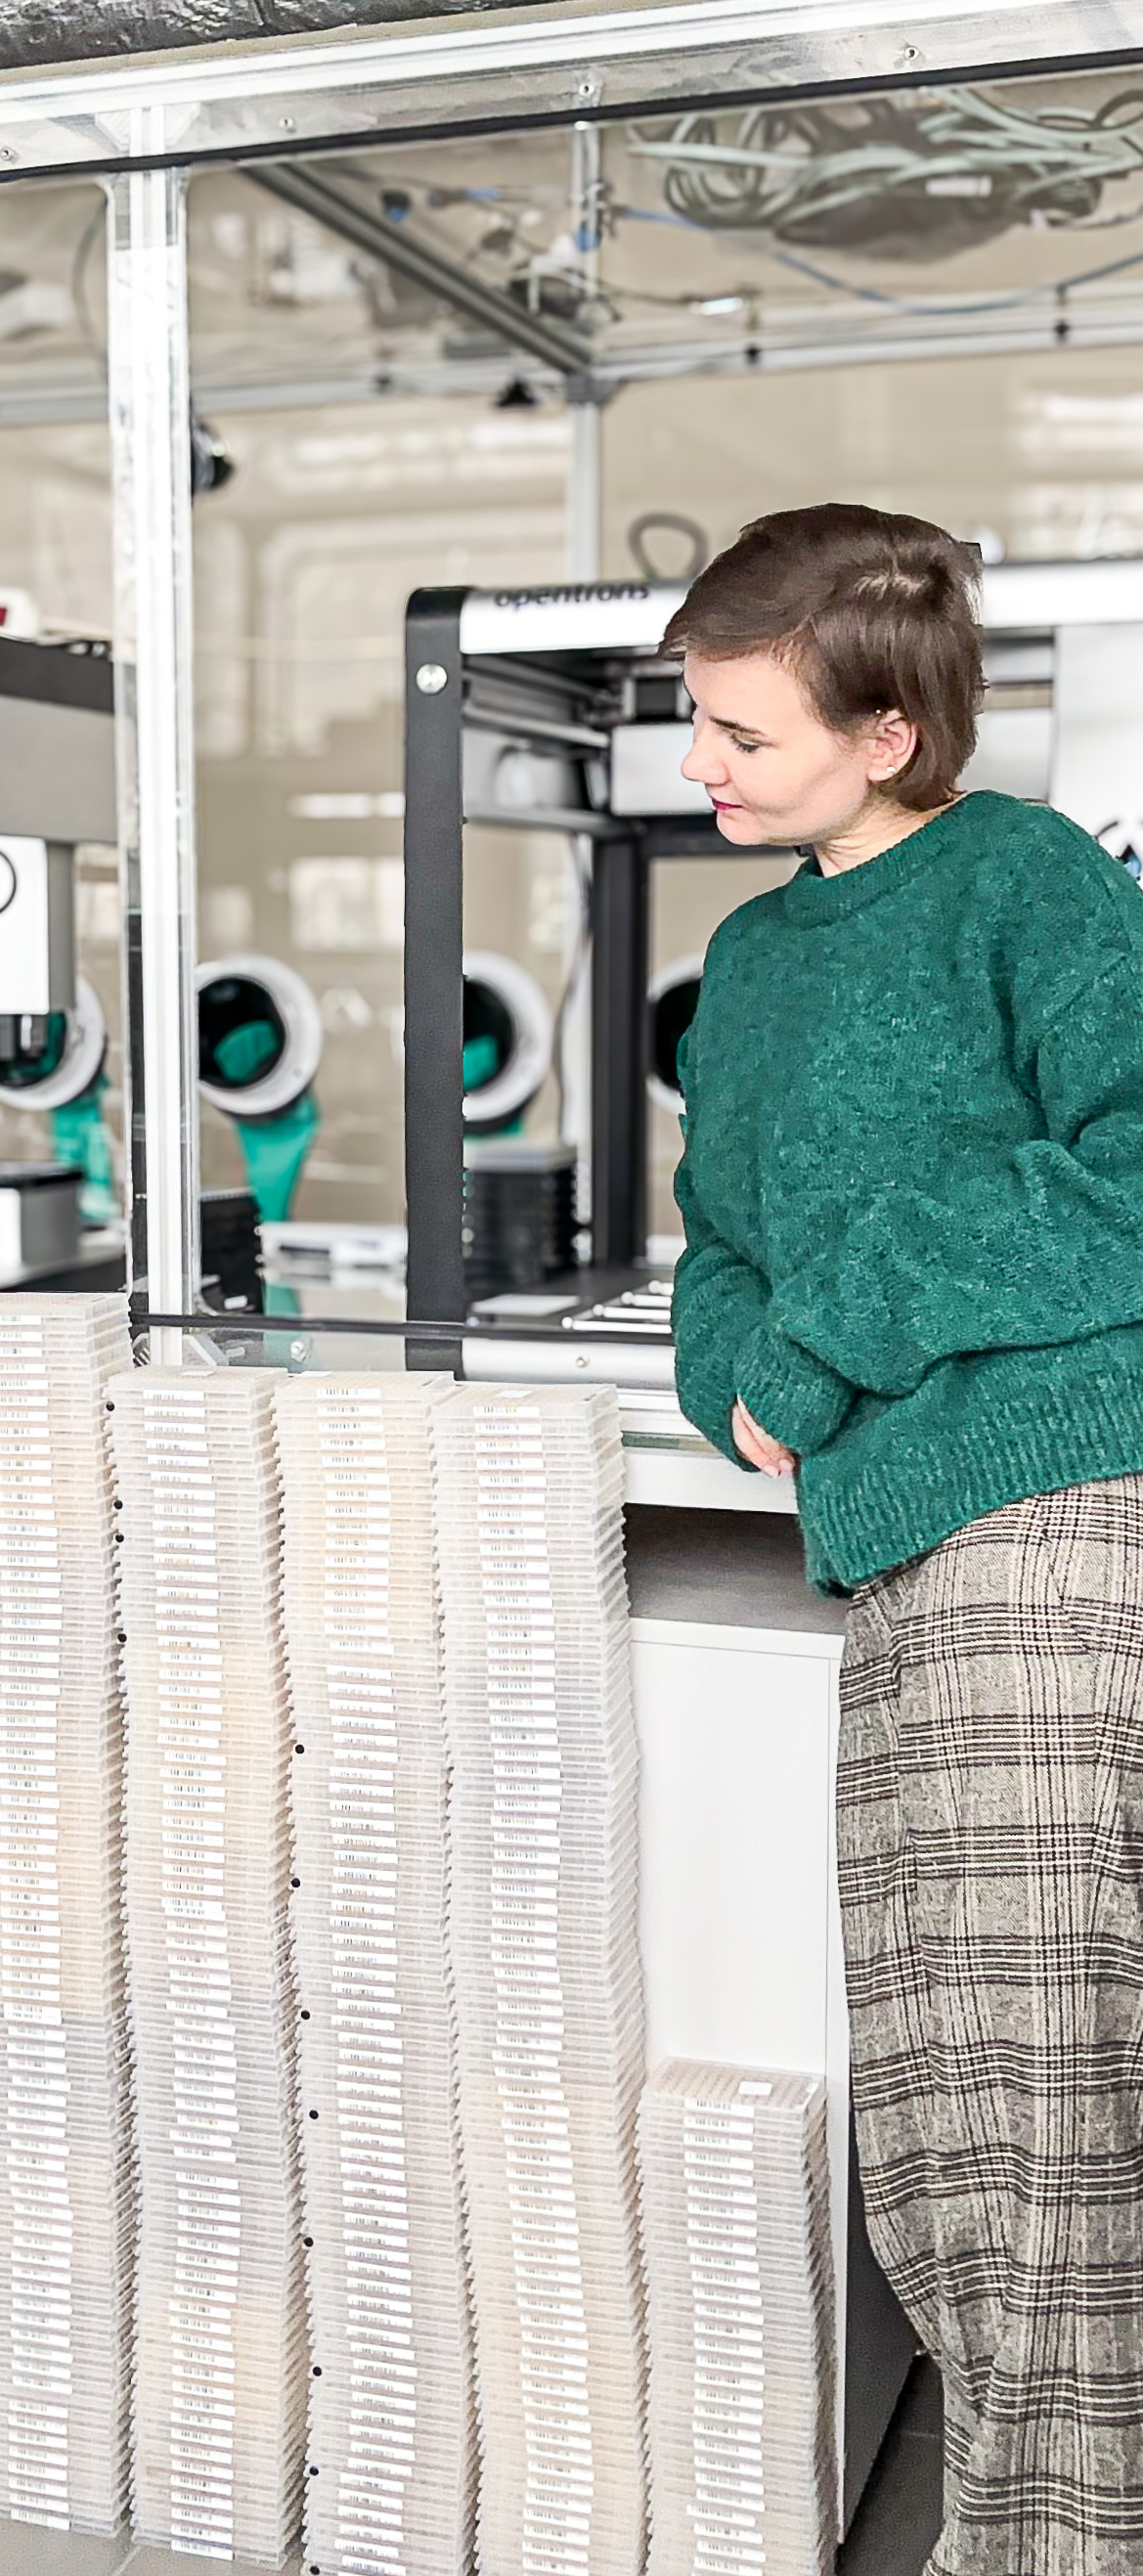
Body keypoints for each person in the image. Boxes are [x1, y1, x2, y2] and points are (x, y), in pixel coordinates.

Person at [668, 501, 1143, 2576]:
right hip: (888, 1543)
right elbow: (719, 1259)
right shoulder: (752, 961)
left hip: (1058, 1516)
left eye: (742, 734)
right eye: (693, 721)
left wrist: (836, 1323)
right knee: (950, 2123)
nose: (701, 766)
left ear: (884, 731)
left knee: (1036, 2127)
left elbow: (1131, 1167)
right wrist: (737, 1381)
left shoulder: (1025, 887)